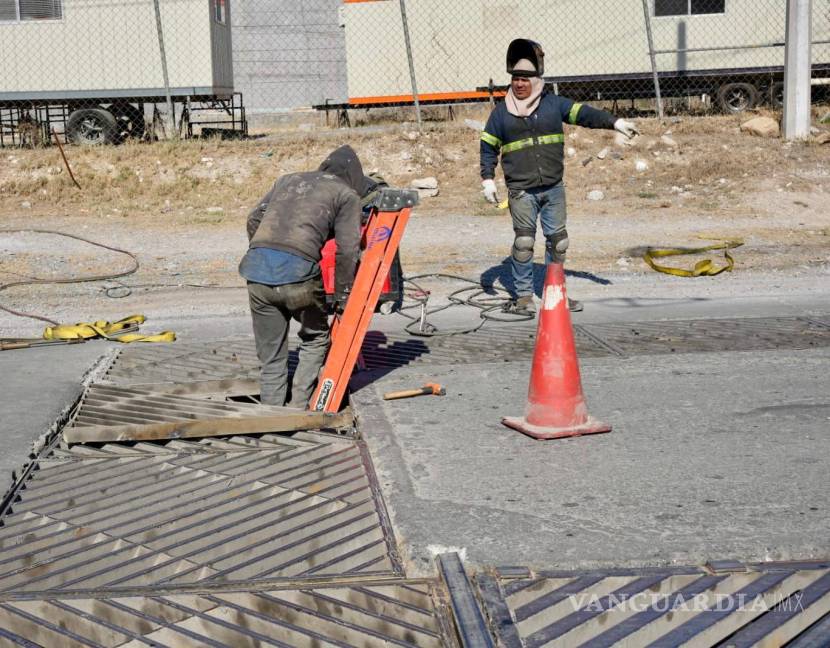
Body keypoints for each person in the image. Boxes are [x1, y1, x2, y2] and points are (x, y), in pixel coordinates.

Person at [480, 39, 639, 314]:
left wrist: (615, 122)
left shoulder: (553, 104)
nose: (519, 84)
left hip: (553, 188)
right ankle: (522, 298)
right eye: (516, 79)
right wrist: (487, 179)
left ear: (537, 80)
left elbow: (584, 114)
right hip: (521, 191)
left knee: (558, 242)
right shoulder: (501, 113)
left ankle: (556, 294)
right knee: (524, 243)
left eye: (525, 79)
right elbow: (487, 146)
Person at [239, 144, 366, 408]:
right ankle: (298, 408)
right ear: (354, 178)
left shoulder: (288, 180)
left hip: (257, 272)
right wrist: (343, 296)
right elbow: (347, 250)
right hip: (299, 276)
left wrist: (265, 252)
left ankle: (271, 413)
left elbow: (253, 219)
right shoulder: (346, 194)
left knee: (271, 354)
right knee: (316, 338)